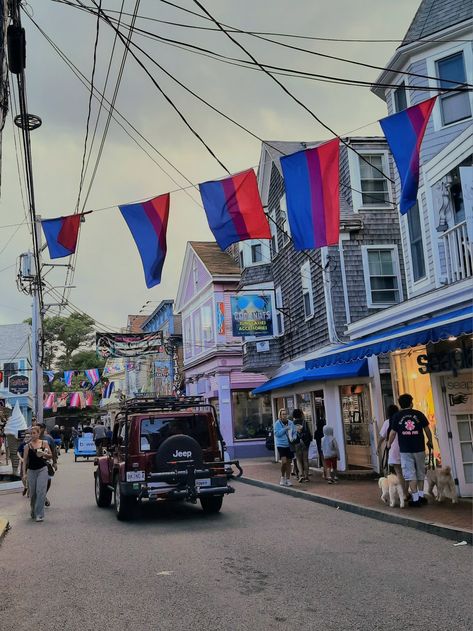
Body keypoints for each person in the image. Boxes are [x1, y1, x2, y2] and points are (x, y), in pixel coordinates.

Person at [388, 393, 433, 508]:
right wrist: (430, 440)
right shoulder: (419, 414)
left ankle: (415, 498)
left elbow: (393, 432)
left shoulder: (397, 416)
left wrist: (389, 444)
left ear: (400, 404)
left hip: (405, 450)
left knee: (410, 474)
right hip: (419, 448)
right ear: (411, 403)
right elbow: (427, 429)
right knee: (420, 472)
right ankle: (422, 496)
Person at [23, 425, 52, 522]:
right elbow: (25, 461)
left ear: (39, 433)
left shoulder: (44, 443)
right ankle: (33, 510)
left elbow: (50, 456)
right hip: (31, 471)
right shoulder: (27, 446)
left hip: (42, 470)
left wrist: (44, 454)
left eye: (34, 433)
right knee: (33, 494)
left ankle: (39, 514)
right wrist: (24, 474)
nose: (32, 435)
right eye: (31, 433)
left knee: (41, 491)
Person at [379, 404, 407, 490]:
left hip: (393, 449)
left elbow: (382, 437)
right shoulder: (403, 420)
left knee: (399, 473)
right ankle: (407, 492)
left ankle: (404, 493)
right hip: (405, 448)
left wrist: (378, 446)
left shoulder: (387, 422)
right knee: (407, 473)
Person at [274, 408, 297, 487]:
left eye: (285, 414)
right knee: (284, 462)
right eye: (282, 414)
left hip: (289, 445)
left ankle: (288, 479)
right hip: (281, 445)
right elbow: (277, 434)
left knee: (289, 462)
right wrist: (285, 429)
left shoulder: (291, 423)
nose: (284, 415)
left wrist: (294, 437)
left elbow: (294, 432)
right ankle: (282, 477)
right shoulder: (277, 423)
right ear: (280, 415)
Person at [38, 423, 57, 507]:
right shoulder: (33, 438)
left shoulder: (48, 438)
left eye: (40, 428)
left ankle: (43, 496)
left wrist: (55, 462)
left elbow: (53, 450)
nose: (38, 430)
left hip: (46, 463)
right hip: (34, 464)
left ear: (44, 429)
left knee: (48, 480)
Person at [292, 409, 311, 483]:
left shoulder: (292, 423)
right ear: (300, 414)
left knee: (298, 460)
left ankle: (301, 475)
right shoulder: (304, 422)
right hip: (305, 443)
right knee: (305, 460)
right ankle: (306, 476)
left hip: (296, 443)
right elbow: (308, 433)